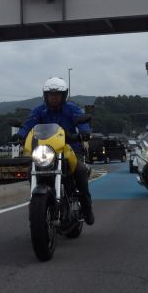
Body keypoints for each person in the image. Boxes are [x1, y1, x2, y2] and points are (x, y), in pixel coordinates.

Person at [17, 76, 95, 225]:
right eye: (51, 94)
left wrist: (84, 132)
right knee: (30, 171)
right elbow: (28, 124)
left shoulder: (71, 108)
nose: (54, 97)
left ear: (63, 95)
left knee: (80, 170)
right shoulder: (39, 110)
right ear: (45, 95)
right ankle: (36, 204)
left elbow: (81, 120)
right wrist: (20, 135)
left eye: (57, 94)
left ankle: (87, 207)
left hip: (70, 148)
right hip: (46, 152)